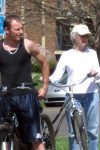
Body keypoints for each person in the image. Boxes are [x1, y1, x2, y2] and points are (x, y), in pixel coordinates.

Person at [0, 15, 49, 150]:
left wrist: (45, 87)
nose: (21, 31)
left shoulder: (27, 45)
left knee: (35, 139)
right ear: (7, 30)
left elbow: (44, 63)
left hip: (26, 95)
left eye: (22, 28)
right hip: (6, 96)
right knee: (5, 134)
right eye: (17, 29)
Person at [49, 24, 100, 150]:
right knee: (74, 133)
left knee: (93, 131)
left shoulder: (92, 53)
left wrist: (96, 74)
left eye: (87, 36)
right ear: (74, 37)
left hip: (91, 93)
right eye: (82, 36)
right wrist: (48, 79)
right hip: (72, 96)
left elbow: (98, 74)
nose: (85, 39)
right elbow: (57, 74)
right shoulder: (67, 55)